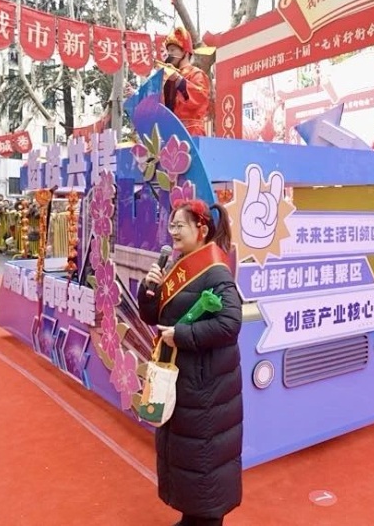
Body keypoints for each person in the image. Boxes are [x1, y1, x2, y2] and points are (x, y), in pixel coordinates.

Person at [138, 199, 242, 526]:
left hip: (206, 385)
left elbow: (230, 324)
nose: (173, 232)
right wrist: (149, 291)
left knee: (205, 458)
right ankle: (191, 517)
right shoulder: (177, 265)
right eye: (171, 225)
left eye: (180, 225)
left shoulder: (216, 271)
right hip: (184, 380)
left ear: (202, 229)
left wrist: (182, 335)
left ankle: (207, 520)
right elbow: (154, 317)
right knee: (188, 456)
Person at [162, 27, 211, 137]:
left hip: (192, 131)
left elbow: (199, 97)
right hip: (172, 133)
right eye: (168, 51)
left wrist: (178, 80)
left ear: (185, 51)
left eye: (173, 50)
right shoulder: (169, 78)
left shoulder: (196, 73)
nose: (169, 54)